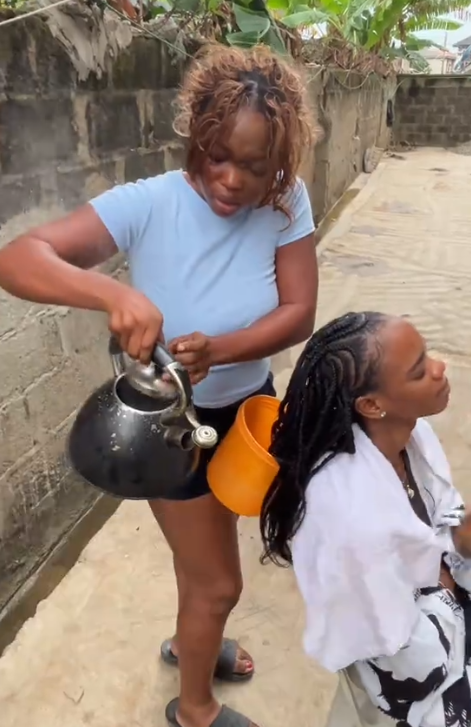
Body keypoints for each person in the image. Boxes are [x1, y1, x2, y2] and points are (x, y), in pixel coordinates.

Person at [0, 44, 319, 727]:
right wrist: (110, 293)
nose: (231, 179)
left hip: (246, 412)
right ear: (196, 136)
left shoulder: (286, 201)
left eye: (254, 166)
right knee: (219, 582)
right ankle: (194, 707)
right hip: (170, 425)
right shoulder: (149, 203)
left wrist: (223, 349)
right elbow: (19, 258)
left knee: (207, 549)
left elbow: (299, 311)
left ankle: (191, 638)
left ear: (279, 162)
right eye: (216, 156)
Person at [260, 311, 471, 727]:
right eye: (419, 371)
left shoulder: (410, 433)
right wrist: (447, 585)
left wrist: (455, 542)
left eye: (427, 355)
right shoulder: (350, 520)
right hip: (411, 663)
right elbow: (395, 648)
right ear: (372, 405)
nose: (439, 369)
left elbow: (447, 515)